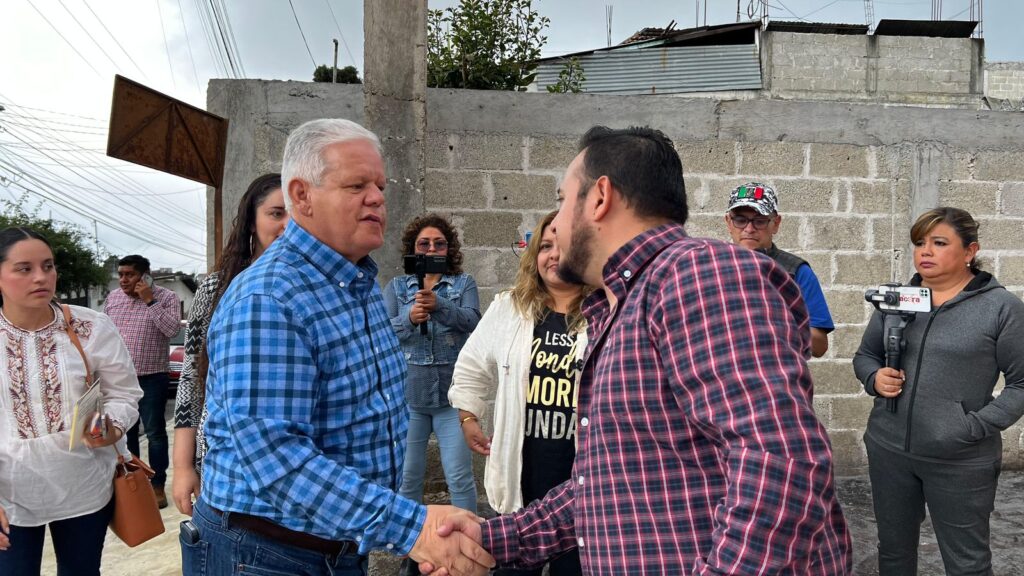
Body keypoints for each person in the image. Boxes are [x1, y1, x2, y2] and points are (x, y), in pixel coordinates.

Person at [426, 126, 851, 575]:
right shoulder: (619, 305)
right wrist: (497, 537)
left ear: (600, 197)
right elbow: (613, 481)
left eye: (563, 199)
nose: (558, 220)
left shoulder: (696, 274)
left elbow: (781, 465)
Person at [184, 118, 494, 576]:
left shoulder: (359, 282)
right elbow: (276, 458)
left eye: (380, 186)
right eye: (356, 185)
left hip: (335, 544)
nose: (377, 198)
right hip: (266, 555)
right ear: (302, 195)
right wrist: (414, 529)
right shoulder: (269, 297)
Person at [853, 207, 1024, 575]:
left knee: (967, 563)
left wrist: (972, 427)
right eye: (919, 243)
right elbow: (866, 355)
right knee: (894, 552)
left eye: (939, 243)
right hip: (889, 450)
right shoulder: (897, 299)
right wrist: (874, 378)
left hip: (960, 460)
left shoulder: (1002, 308)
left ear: (969, 251)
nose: (925, 251)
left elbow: (1021, 383)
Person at [448, 210, 588, 576]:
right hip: (519, 474)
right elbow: (471, 364)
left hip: (580, 479)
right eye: (544, 247)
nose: (553, 255)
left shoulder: (605, 310)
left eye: (564, 246)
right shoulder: (510, 307)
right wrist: (467, 415)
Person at [0, 227, 142, 575]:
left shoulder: (91, 326)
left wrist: (110, 425)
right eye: (25, 268)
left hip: (83, 483)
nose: (41, 277)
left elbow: (124, 393)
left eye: (48, 266)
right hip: (9, 491)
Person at [171, 173, 289, 516]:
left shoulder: (320, 288)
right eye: (276, 213)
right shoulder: (217, 289)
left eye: (297, 214)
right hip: (225, 463)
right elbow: (192, 378)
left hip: (295, 461)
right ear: (252, 222)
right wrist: (182, 467)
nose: (288, 225)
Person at [104, 253, 181, 509]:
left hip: (152, 376)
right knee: (126, 433)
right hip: (120, 379)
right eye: (121, 274)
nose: (123, 280)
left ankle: (158, 485)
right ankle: (133, 485)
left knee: (155, 432)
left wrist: (150, 301)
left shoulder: (167, 298)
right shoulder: (113, 299)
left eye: (129, 275)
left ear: (145, 276)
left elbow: (171, 330)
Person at [724, 182, 834, 357]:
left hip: (776, 378)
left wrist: (776, 320)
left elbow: (820, 346)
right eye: (740, 220)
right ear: (729, 222)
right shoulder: (711, 267)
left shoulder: (796, 271)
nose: (749, 229)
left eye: (759, 221)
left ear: (775, 224)